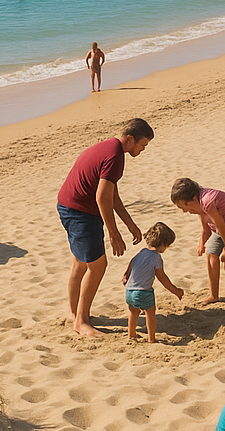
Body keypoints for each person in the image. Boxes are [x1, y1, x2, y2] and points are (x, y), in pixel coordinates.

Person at [58, 119, 153, 337]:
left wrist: (130, 224)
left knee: (80, 264)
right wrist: (114, 233)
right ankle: (81, 322)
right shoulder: (115, 156)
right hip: (80, 212)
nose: (142, 150)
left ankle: (74, 313)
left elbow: (112, 194)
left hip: (67, 206)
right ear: (130, 139)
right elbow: (102, 197)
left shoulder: (109, 148)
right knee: (98, 266)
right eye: (142, 145)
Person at [172, 178, 225, 312]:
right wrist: (202, 242)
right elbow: (206, 228)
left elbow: (220, 224)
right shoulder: (198, 205)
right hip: (220, 231)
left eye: (184, 207)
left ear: (193, 199)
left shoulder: (208, 202)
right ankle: (213, 295)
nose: (185, 211)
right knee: (211, 255)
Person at [122, 222, 184, 343]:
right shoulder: (156, 257)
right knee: (150, 313)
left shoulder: (141, 252)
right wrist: (175, 290)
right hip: (143, 292)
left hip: (129, 291)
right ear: (163, 244)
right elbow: (162, 277)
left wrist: (125, 276)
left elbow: (131, 263)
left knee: (133, 312)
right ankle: (151, 339)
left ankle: (132, 335)